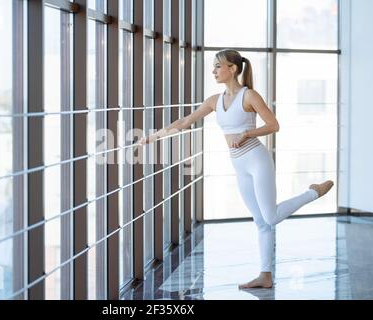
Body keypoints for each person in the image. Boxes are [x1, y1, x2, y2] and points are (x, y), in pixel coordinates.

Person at [136, 49, 334, 289]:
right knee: (261, 222)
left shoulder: (249, 96)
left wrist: (247, 133)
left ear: (233, 69)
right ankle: (265, 275)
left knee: (270, 216)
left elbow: (274, 125)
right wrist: (154, 136)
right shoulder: (214, 101)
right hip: (238, 163)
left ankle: (313, 192)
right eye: (214, 67)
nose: (214, 71)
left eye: (218, 66)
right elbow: (186, 121)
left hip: (256, 158)